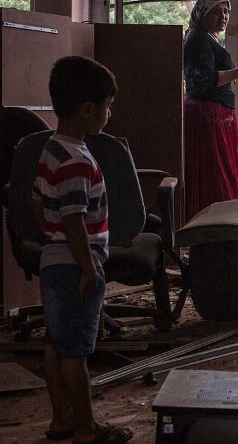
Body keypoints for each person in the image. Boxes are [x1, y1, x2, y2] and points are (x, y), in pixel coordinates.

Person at [31, 56, 133, 444]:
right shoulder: (76, 159)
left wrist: (51, 239)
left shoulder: (51, 150)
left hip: (53, 260)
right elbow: (74, 219)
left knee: (56, 343)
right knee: (75, 352)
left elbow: (39, 205)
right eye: (108, 106)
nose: (110, 113)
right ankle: (86, 428)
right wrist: (87, 265)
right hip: (76, 264)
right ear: (88, 110)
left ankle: (61, 420)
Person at [183, 0, 238, 220]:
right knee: (215, 174)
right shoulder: (198, 38)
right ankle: (217, 224)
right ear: (202, 14)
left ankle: (222, 223)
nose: (224, 16)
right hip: (208, 115)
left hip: (216, 113)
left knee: (220, 173)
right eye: (216, 11)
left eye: (226, 11)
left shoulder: (208, 38)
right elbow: (203, 81)